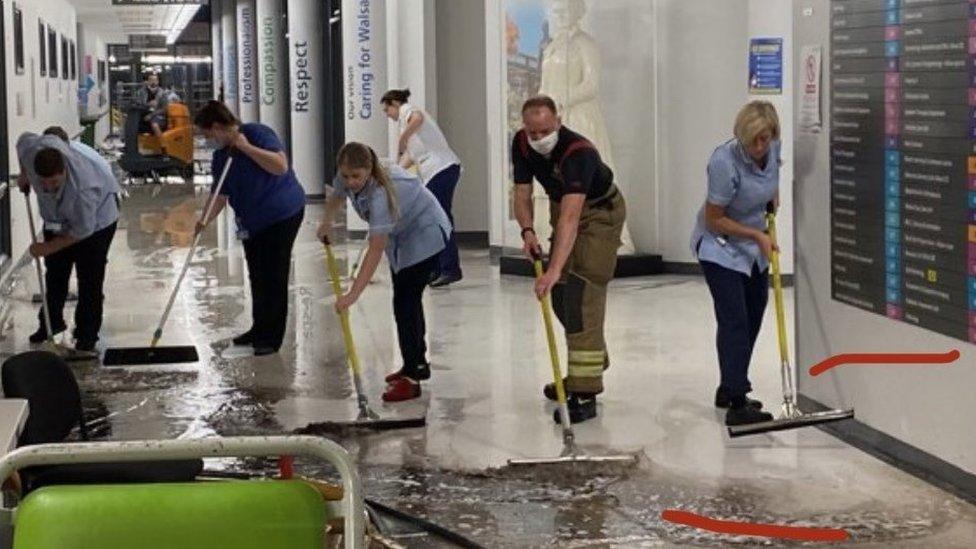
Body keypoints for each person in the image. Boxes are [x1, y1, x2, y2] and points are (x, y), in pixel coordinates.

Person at [511, 95, 626, 424]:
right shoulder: (521, 144)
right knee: (561, 296)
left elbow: (573, 219)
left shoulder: (579, 153)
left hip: (600, 213)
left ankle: (586, 392)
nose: (538, 139)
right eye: (533, 133)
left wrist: (552, 269)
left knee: (581, 293)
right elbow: (521, 193)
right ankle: (589, 360)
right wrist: (527, 231)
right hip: (564, 207)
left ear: (558, 122)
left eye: (545, 130)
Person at [317, 143, 451, 402]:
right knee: (405, 301)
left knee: (405, 302)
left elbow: (375, 247)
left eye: (356, 176)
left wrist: (352, 295)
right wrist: (326, 221)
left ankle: (412, 377)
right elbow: (337, 193)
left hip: (425, 233)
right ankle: (415, 363)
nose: (350, 182)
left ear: (369, 169)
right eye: (346, 176)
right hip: (401, 238)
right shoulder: (348, 175)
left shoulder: (382, 192)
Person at [690, 100, 782, 427]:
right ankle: (738, 402)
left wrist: (772, 205)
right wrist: (756, 236)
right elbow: (715, 219)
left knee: (753, 316)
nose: (760, 147)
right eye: (753, 140)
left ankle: (728, 385)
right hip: (720, 246)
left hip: (754, 249)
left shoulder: (773, 149)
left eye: (765, 139)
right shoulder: (723, 161)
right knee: (735, 321)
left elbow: (772, 187)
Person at [193, 101, 306, 356]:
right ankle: (259, 328)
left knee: (274, 274)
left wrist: (245, 147)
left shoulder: (258, 133)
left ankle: (271, 338)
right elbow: (219, 195)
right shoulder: (220, 157)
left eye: (208, 134)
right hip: (252, 222)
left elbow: (279, 166)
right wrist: (204, 221)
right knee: (257, 273)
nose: (208, 139)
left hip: (282, 214)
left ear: (219, 127)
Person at [16, 129, 121, 352]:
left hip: (98, 221)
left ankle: (87, 334)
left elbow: (82, 231)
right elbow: (22, 140)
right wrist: (24, 174)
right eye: (43, 183)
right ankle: (50, 324)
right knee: (55, 272)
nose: (48, 188)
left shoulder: (84, 187)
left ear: (64, 171)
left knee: (89, 277)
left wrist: (46, 247)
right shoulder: (32, 152)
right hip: (57, 218)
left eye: (54, 183)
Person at [381, 89, 463, 287]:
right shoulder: (405, 125)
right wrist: (390, 174)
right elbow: (409, 157)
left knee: (439, 218)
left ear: (394, 104)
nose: (387, 114)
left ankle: (449, 268)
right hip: (435, 171)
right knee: (432, 219)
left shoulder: (407, 110)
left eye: (386, 110)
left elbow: (417, 118)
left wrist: (402, 138)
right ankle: (436, 268)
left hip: (441, 168)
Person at [135, 72, 168, 142]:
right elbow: (137, 104)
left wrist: (151, 115)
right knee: (132, 123)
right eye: (151, 80)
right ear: (147, 81)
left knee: (155, 125)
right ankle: (130, 146)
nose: (153, 82)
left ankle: (163, 145)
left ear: (158, 82)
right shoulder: (141, 92)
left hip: (157, 115)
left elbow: (165, 109)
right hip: (143, 113)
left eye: (155, 80)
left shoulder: (163, 93)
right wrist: (147, 104)